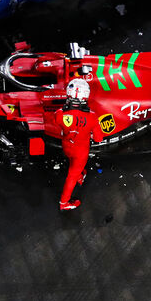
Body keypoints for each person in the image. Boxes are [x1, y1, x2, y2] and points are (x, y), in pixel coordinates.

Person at [57, 78, 94, 210]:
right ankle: (64, 203)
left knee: (75, 168)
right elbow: (99, 138)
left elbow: (62, 121)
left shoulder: (59, 114)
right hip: (81, 152)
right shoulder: (92, 116)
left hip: (67, 148)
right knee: (71, 176)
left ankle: (79, 175)